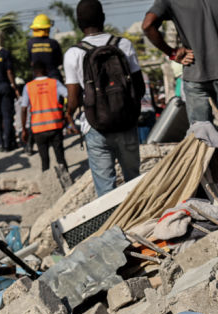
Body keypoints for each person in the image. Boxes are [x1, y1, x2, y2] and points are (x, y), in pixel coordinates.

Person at [142, 0, 218, 200]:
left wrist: (172, 53)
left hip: (195, 75)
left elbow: (147, 25)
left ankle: (207, 194)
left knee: (199, 135)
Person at [64, 0, 144, 197]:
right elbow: (139, 87)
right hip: (126, 122)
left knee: (105, 189)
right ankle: (139, 222)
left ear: (78, 23)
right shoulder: (124, 44)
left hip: (95, 126)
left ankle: (114, 226)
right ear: (103, 19)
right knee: (134, 181)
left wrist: (68, 114)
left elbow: (73, 99)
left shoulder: (74, 53)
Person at [20, 61, 69, 175]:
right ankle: (66, 180)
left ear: (34, 72)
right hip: (55, 126)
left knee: (44, 159)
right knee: (60, 156)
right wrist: (67, 114)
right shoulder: (54, 83)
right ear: (46, 71)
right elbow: (68, 96)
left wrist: (24, 129)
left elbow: (23, 109)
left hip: (38, 129)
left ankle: (48, 183)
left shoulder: (28, 87)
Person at [26, 14, 63, 80]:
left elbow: (31, 61)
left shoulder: (30, 43)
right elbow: (60, 61)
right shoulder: (53, 43)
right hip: (53, 77)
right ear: (48, 28)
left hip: (37, 78)